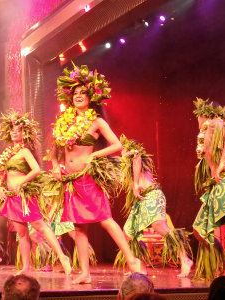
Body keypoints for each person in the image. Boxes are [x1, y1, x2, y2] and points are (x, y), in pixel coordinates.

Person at [49, 63, 144, 284]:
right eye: (75, 93)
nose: (78, 96)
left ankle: (132, 260)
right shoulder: (64, 122)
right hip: (70, 181)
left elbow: (117, 145)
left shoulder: (96, 121)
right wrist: (56, 165)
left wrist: (94, 156)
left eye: (83, 93)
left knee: (105, 219)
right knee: (79, 226)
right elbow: (53, 150)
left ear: (91, 97)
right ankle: (85, 272)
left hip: (88, 178)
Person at [0, 109, 71, 275]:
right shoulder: (8, 153)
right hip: (12, 197)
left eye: (18, 130)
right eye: (13, 130)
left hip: (24, 196)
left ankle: (62, 257)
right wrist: (0, 186)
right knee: (22, 234)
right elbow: (2, 173)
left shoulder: (24, 151)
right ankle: (26, 268)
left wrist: (22, 182)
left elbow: (37, 169)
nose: (15, 133)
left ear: (24, 133)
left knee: (40, 226)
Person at [115, 135, 193, 277]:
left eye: (124, 150)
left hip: (152, 195)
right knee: (128, 233)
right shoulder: (128, 164)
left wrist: (135, 183)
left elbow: (136, 158)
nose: (122, 152)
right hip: (141, 201)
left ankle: (185, 259)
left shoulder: (136, 155)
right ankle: (140, 266)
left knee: (159, 227)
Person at [192, 98, 225, 279]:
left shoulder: (217, 123)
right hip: (216, 187)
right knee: (199, 231)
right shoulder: (208, 131)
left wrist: (222, 164)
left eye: (199, 116)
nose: (198, 120)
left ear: (205, 115)